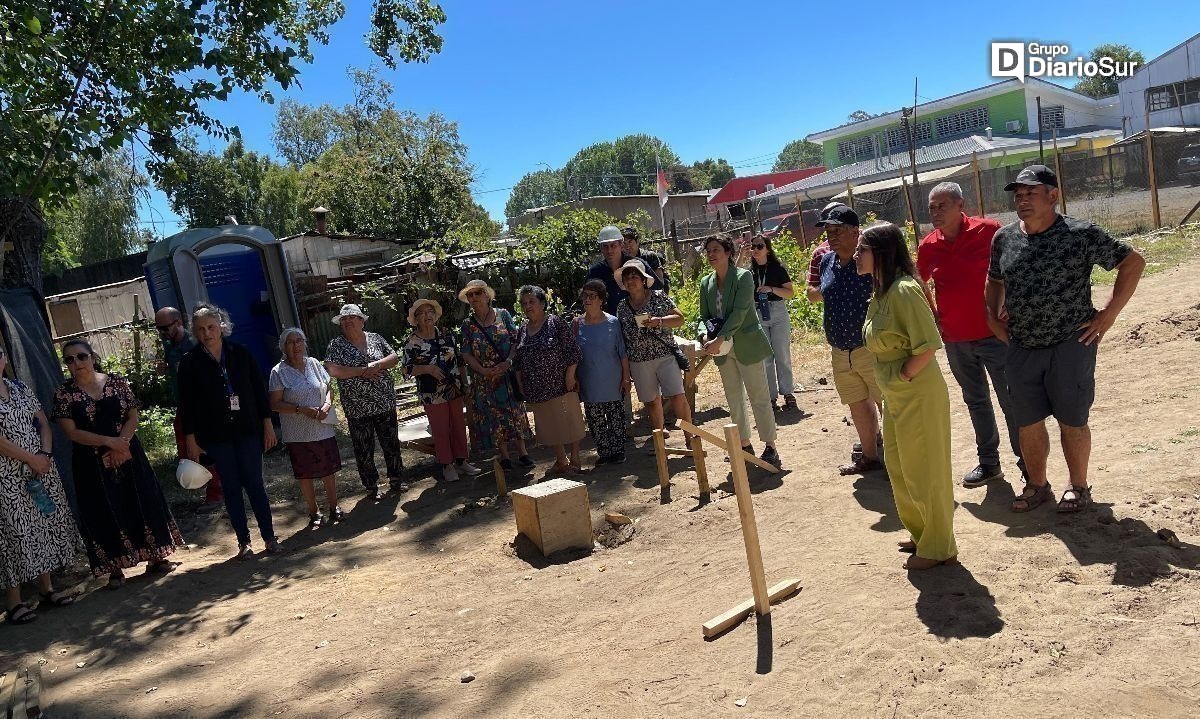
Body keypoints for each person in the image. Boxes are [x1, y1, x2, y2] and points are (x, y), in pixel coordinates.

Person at [986, 165, 1145, 514]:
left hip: (1070, 343)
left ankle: (1078, 486)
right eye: (1018, 195)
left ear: (1053, 196)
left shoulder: (1080, 234)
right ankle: (1037, 485)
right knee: (1027, 422)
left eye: (1031, 193)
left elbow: (1133, 262)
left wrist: (1109, 314)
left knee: (1072, 419)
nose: (1022, 200)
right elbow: (995, 279)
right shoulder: (1005, 238)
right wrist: (992, 314)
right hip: (1022, 346)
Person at [855, 223, 957, 570]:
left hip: (916, 390)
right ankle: (921, 533)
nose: (855, 256)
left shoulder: (904, 290)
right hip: (895, 392)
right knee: (900, 466)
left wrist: (904, 374)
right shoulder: (881, 292)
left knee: (926, 467)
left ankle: (939, 546)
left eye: (861, 249)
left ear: (880, 252)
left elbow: (929, 344)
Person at [918, 183, 1025, 488]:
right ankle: (989, 463)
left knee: (1010, 400)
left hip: (995, 335)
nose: (936, 213)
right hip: (956, 338)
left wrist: (1010, 305)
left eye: (942, 206)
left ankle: (1028, 465)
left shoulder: (990, 231)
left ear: (959, 204)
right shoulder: (928, 246)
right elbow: (917, 282)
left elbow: (1016, 268)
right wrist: (933, 313)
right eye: (931, 208)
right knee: (976, 400)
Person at [53, 339, 184, 586]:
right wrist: (109, 442)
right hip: (90, 463)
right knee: (103, 509)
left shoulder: (116, 381)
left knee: (142, 498)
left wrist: (121, 443)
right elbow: (71, 432)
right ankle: (115, 568)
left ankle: (155, 557)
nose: (76, 363)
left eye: (81, 356)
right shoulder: (64, 394)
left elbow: (133, 414)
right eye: (69, 359)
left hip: (128, 453)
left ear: (92, 357)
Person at [178, 303, 281, 559]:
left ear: (222, 326)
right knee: (231, 488)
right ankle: (243, 542)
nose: (207, 333)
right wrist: (191, 439)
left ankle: (269, 537)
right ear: (195, 332)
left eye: (211, 326)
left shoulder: (240, 353)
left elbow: (259, 391)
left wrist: (267, 424)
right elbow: (186, 405)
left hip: (248, 430)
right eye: (200, 329)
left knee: (255, 484)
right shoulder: (190, 363)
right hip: (216, 436)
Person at [0, 345, 79, 625]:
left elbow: (43, 422)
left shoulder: (19, 386)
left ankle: (46, 589)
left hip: (40, 467)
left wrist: (44, 456)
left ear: (5, 358)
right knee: (14, 533)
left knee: (42, 524)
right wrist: (30, 459)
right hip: (7, 475)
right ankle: (14, 601)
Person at [811, 204, 884, 474]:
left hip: (870, 347)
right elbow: (818, 293)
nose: (832, 235)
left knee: (887, 402)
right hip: (840, 348)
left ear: (856, 231)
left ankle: (899, 459)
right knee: (857, 402)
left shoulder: (867, 260)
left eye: (838, 230)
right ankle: (870, 456)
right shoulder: (827, 261)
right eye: (829, 231)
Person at [699, 235, 780, 465]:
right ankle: (744, 445)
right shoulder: (706, 282)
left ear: (728, 252)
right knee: (734, 399)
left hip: (746, 344)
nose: (711, 254)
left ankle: (770, 445)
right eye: (708, 251)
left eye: (715, 250)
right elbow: (703, 316)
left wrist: (720, 337)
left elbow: (741, 311)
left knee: (759, 396)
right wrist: (704, 335)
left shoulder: (744, 277)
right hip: (722, 350)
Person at [324, 304, 404, 500]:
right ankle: (371, 486)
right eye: (344, 319)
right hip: (357, 407)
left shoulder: (376, 338)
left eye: (352, 317)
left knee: (391, 443)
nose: (348, 321)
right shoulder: (336, 345)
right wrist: (363, 371)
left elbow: (394, 357)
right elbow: (333, 370)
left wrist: (376, 364)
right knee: (364, 448)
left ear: (362, 321)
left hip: (384, 402)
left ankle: (396, 479)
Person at [268, 328, 344, 528]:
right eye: (291, 342)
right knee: (306, 473)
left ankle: (334, 507)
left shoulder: (314, 364)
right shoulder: (278, 372)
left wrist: (327, 404)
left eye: (299, 341)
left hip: (322, 427)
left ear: (305, 343)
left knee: (329, 469)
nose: (296, 346)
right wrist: (301, 409)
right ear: (284, 347)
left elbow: (328, 388)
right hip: (297, 434)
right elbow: (274, 404)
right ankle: (314, 512)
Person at [401, 299, 482, 483]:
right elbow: (406, 370)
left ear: (435, 315)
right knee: (440, 429)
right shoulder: (412, 342)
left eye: (430, 311)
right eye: (422, 313)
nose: (427, 315)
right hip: (432, 394)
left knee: (458, 426)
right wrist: (427, 369)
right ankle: (447, 464)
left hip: (454, 389)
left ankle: (462, 461)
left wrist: (465, 384)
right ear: (416, 318)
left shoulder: (447, 334)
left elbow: (460, 361)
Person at [614, 260, 693, 447]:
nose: (631, 280)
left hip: (665, 355)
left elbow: (679, 319)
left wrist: (659, 321)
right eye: (627, 277)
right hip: (639, 360)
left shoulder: (659, 296)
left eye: (635, 276)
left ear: (643, 280)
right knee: (651, 401)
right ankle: (659, 444)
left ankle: (691, 438)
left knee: (677, 396)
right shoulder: (622, 307)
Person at [458, 279, 534, 470]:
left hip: (507, 375)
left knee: (514, 413)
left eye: (477, 293)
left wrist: (508, 361)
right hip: (485, 379)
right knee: (494, 417)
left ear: (487, 295)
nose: (474, 297)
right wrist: (483, 370)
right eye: (470, 295)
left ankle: (523, 453)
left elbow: (517, 340)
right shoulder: (467, 325)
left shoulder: (503, 314)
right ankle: (505, 456)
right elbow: (466, 353)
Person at [155, 306, 223, 510]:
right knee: (188, 449)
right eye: (159, 329)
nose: (163, 333)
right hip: (183, 406)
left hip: (202, 407)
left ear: (178, 323)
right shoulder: (169, 345)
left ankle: (217, 494)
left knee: (205, 448)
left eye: (166, 328)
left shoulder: (195, 344)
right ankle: (209, 487)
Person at [513, 285, 586, 474]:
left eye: (532, 301)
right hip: (536, 388)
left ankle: (576, 460)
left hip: (561, 384)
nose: (528, 306)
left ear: (543, 303)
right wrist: (520, 381)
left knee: (570, 421)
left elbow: (573, 351)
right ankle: (561, 460)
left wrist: (570, 376)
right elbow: (519, 359)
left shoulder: (555, 323)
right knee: (548, 425)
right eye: (524, 303)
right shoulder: (522, 329)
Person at [573, 279, 631, 465]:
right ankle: (604, 453)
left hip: (613, 380)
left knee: (616, 418)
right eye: (585, 296)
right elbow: (572, 355)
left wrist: (626, 377)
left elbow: (622, 352)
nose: (587, 300)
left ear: (601, 300)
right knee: (596, 420)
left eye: (592, 296)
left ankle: (618, 451)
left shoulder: (613, 322)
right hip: (589, 381)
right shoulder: (576, 324)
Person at [748, 233, 798, 412]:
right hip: (759, 311)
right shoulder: (749, 271)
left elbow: (790, 293)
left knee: (782, 354)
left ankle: (788, 392)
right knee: (766, 357)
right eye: (752, 246)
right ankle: (771, 397)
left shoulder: (777, 268)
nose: (755, 250)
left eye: (759, 246)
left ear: (767, 249)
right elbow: (733, 275)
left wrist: (771, 289)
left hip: (777, 310)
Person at [586, 225, 650, 315]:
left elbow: (656, 289)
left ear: (621, 245)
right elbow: (589, 300)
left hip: (639, 322)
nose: (609, 250)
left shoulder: (636, 265)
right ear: (601, 248)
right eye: (605, 246)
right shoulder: (595, 272)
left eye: (613, 245)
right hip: (609, 324)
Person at [621, 225, 669, 293]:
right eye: (624, 243)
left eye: (630, 242)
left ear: (637, 241)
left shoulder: (649, 257)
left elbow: (660, 284)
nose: (627, 247)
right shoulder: (621, 261)